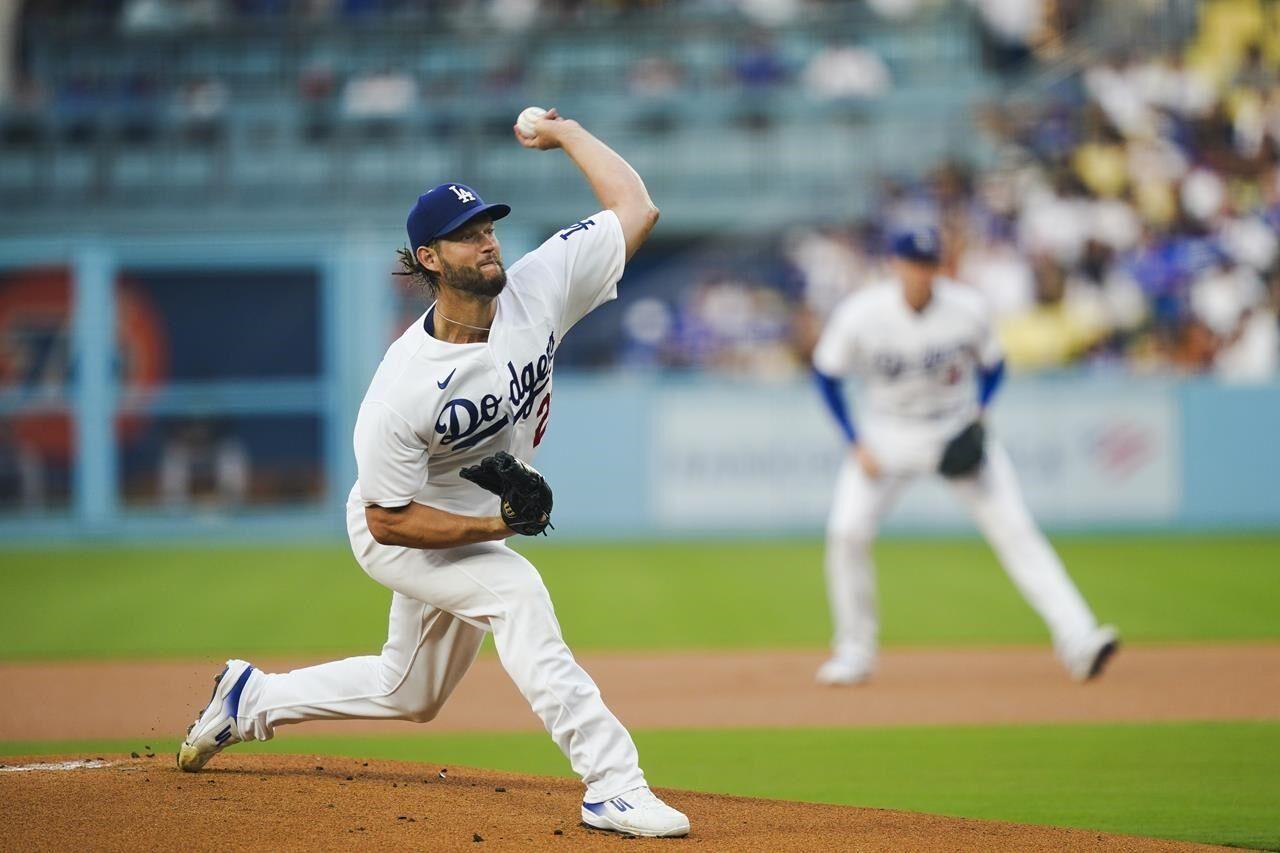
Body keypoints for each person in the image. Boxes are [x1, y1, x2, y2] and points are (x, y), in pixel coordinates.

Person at [176, 109, 690, 839]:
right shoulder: (402, 386)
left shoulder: (537, 287)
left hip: (469, 522)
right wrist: (494, 527)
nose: (487, 241)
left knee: (409, 689)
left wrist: (566, 132)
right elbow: (387, 518)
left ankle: (250, 698)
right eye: (468, 234)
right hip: (398, 527)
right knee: (518, 594)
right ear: (428, 259)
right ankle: (612, 782)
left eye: (488, 227)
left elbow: (636, 208)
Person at [811, 226, 1119, 686]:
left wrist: (981, 413)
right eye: (913, 263)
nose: (921, 272)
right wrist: (855, 440)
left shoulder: (967, 308)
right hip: (887, 436)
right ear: (893, 265)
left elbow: (994, 367)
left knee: (1016, 530)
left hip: (954, 430)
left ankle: (1079, 639)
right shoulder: (861, 314)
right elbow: (826, 375)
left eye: (929, 263)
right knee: (846, 532)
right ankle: (855, 651)